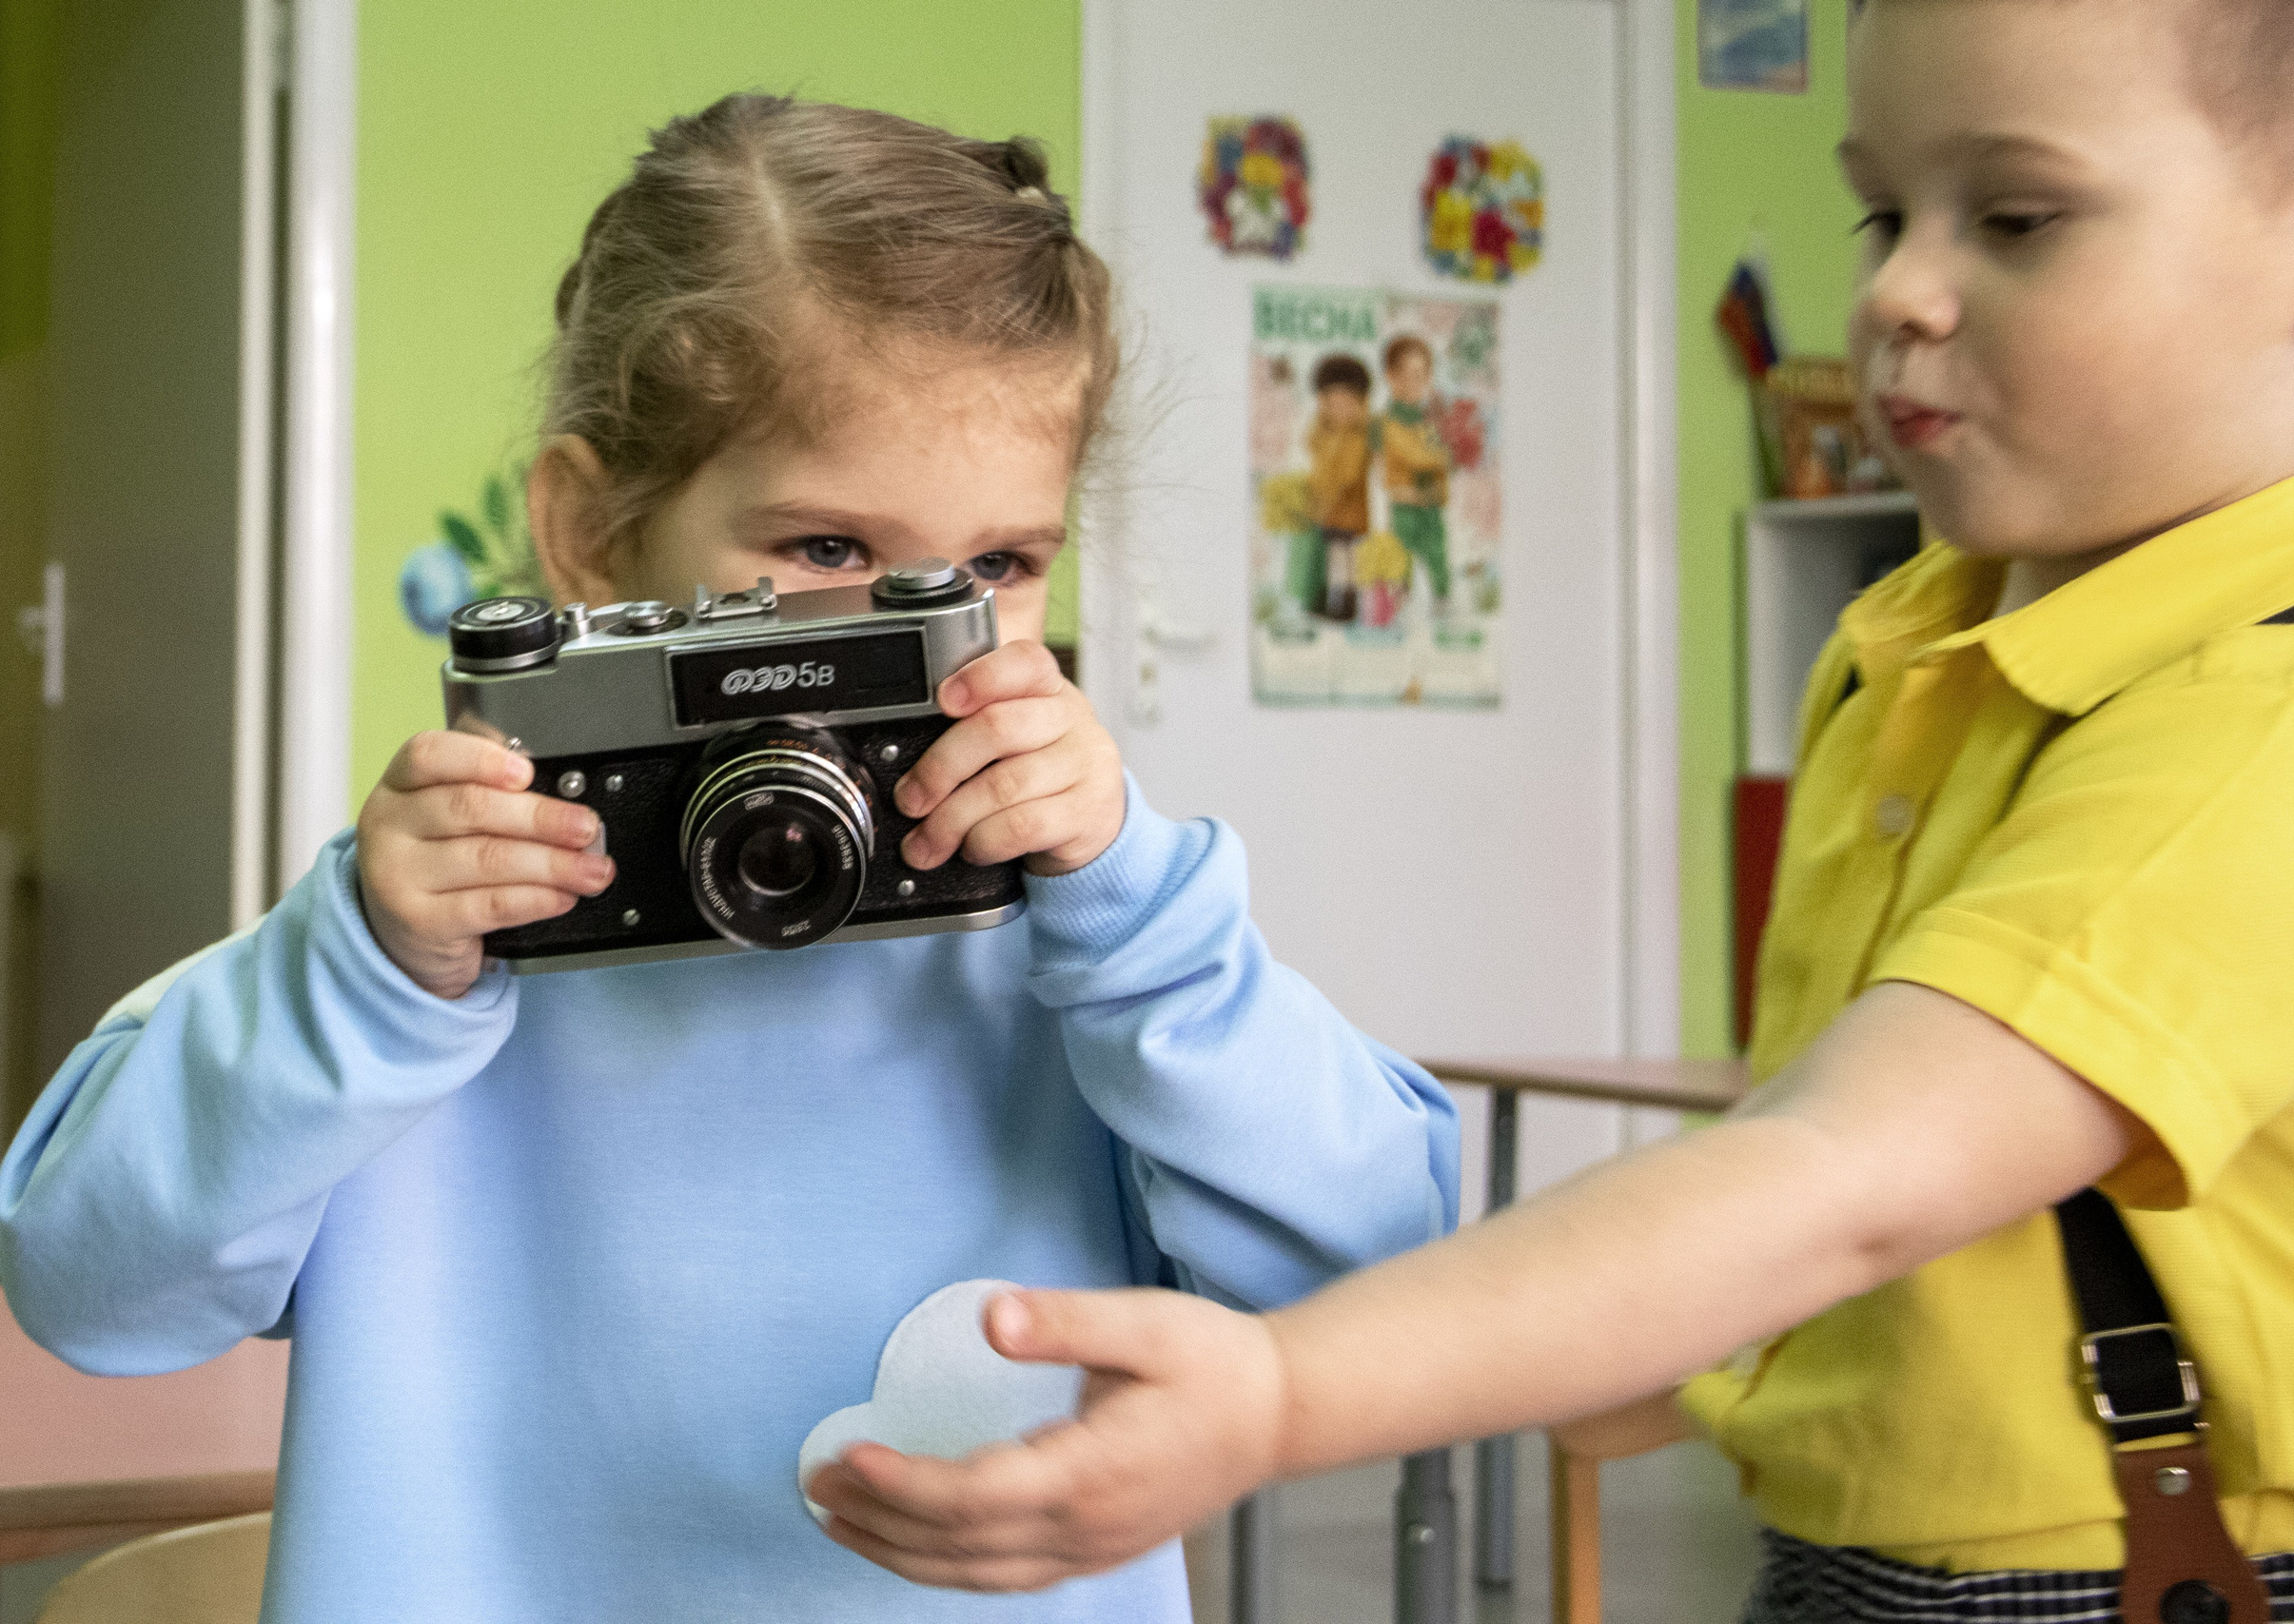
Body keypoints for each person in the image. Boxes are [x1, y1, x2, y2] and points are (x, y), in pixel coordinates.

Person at [806, 4, 2294, 1617]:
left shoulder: (2245, 724)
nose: (1895, 290)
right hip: (1874, 1542)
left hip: (2121, 1572)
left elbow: (1849, 1173)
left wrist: (1288, 1390)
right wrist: (1676, 1337)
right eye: (1885, 211)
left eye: (2015, 218)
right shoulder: (1928, 633)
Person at [0, 96, 1459, 1624]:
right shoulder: (422, 946)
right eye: (826, 549)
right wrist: (357, 972)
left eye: (999, 567)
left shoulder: (1093, 950)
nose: (912, 631)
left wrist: (1139, 918)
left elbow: (1375, 1277)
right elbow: (95, 1291)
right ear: (588, 532)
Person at [1376, 335, 1452, 611]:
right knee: (1401, 563)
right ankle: (1397, 608)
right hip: (1404, 505)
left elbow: (1444, 462)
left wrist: (1444, 445)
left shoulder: (1428, 420)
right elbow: (1419, 457)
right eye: (1405, 375)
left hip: (1431, 505)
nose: (1413, 383)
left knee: (1438, 557)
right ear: (1390, 377)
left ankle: (1442, 602)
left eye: (1420, 375)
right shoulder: (1387, 421)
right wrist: (1443, 450)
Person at [1304, 351, 1375, 621]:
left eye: (1348, 402)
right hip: (1328, 509)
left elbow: (1349, 474)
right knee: (1332, 555)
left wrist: (1339, 440)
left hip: (1349, 510)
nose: (1340, 409)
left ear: (1361, 403)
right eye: (1332, 403)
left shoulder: (1357, 436)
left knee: (1345, 555)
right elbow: (1311, 446)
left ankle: (1348, 600)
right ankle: (1329, 596)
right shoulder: (1323, 432)